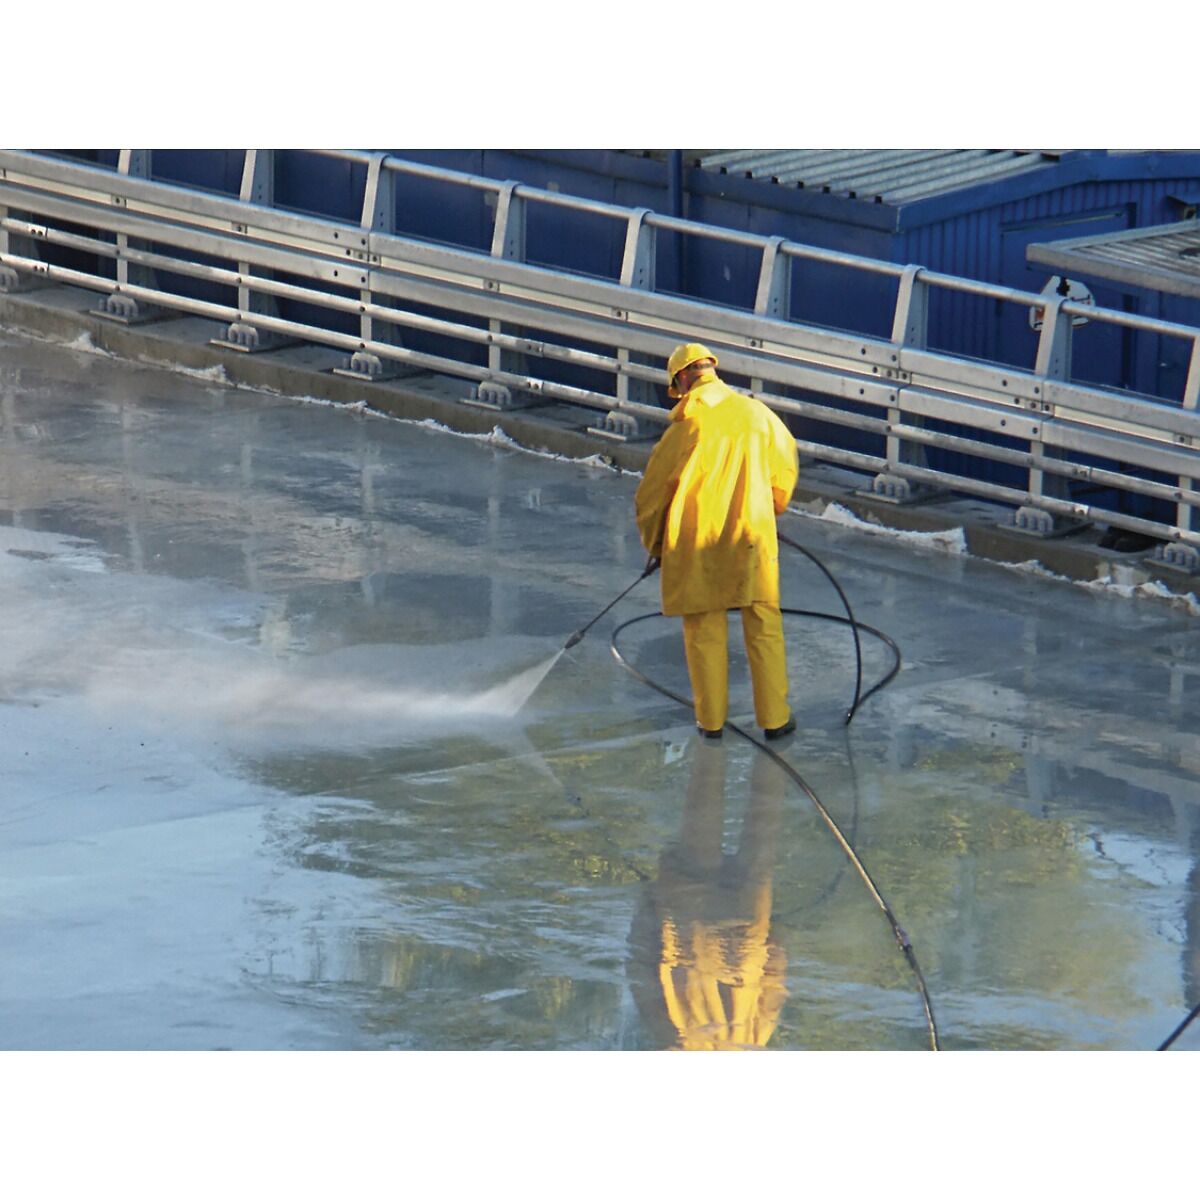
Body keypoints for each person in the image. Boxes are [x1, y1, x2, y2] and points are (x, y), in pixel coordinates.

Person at [635, 342, 799, 740]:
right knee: (763, 625)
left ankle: (710, 723)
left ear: (683, 380)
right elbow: (785, 466)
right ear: (712, 371)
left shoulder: (686, 428)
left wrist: (656, 545)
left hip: (697, 543)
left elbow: (651, 496)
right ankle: (775, 720)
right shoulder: (757, 414)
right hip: (752, 538)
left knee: (704, 632)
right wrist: (772, 504)